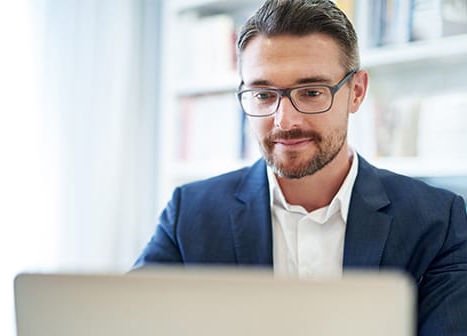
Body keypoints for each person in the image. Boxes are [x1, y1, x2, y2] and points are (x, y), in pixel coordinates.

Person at [133, 0, 467, 334]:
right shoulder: (189, 214)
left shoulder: (438, 221)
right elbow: (127, 321)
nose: (285, 120)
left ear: (357, 92)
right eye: (263, 94)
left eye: (310, 92)